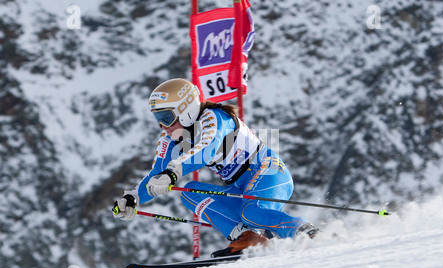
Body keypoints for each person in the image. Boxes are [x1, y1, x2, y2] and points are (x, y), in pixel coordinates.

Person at [112, 78, 318, 257]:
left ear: (186, 110)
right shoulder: (172, 136)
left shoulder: (214, 118)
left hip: (269, 172)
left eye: (166, 117)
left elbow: (206, 149)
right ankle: (249, 236)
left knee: (252, 211)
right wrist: (133, 198)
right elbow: (157, 173)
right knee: (189, 192)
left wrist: (173, 171)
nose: (163, 126)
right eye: (158, 119)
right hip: (241, 187)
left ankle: (306, 232)